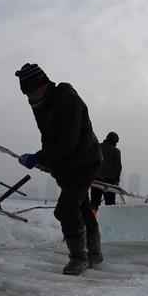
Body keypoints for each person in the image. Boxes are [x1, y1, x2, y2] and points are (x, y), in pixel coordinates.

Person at [15, 64, 103, 275]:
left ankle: (78, 258)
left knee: (65, 209)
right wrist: (45, 161)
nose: (29, 98)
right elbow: (49, 139)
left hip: (85, 161)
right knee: (81, 208)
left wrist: (38, 158)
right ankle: (95, 254)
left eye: (31, 92)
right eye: (26, 94)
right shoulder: (40, 105)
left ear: (43, 85)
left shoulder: (67, 98)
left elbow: (68, 143)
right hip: (66, 165)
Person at [90, 131, 121, 211]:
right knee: (110, 204)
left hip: (95, 180)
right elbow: (118, 167)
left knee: (94, 203)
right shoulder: (116, 151)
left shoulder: (97, 147)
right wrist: (117, 180)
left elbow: (91, 161)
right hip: (109, 182)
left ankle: (90, 221)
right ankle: (110, 221)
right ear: (115, 141)